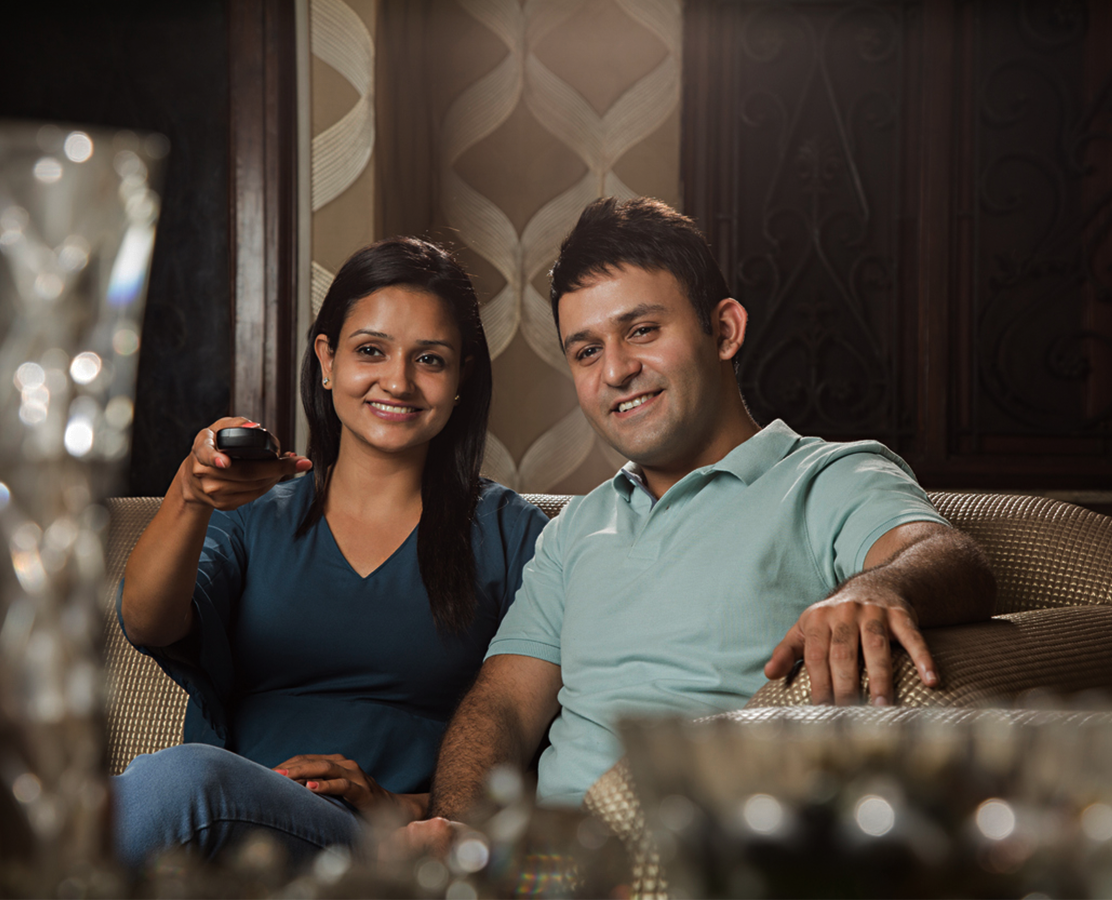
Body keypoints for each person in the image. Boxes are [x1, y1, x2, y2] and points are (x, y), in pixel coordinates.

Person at [413, 197, 997, 830]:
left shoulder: (825, 477)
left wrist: (877, 588)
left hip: (707, 856)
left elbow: (948, 556)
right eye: (586, 351)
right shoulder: (575, 529)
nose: (616, 371)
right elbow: (500, 706)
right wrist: (461, 840)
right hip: (553, 870)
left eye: (641, 330)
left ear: (724, 331)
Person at [111, 237, 547, 868]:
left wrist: (411, 805)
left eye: (429, 359)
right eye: (371, 350)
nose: (396, 381)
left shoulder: (514, 535)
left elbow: (547, 744)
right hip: (235, 833)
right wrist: (190, 493)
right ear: (327, 358)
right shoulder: (253, 517)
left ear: (461, 377)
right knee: (178, 787)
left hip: (378, 846)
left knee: (184, 782)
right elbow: (148, 620)